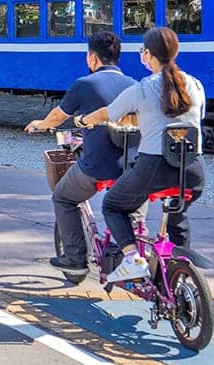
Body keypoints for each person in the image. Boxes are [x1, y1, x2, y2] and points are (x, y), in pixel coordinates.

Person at [75, 26, 206, 283]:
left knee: (112, 205)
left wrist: (83, 121)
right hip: (193, 169)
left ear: (147, 54)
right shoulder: (195, 85)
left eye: (142, 52)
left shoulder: (143, 88)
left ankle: (132, 258)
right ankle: (179, 277)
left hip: (154, 167)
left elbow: (108, 113)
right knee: (178, 212)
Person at [24, 31, 138, 279]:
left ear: (93, 59)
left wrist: (40, 124)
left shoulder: (85, 84)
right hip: (132, 168)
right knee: (130, 206)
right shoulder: (134, 84)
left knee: (63, 198)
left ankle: (75, 259)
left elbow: (58, 116)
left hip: (97, 167)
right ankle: (127, 250)